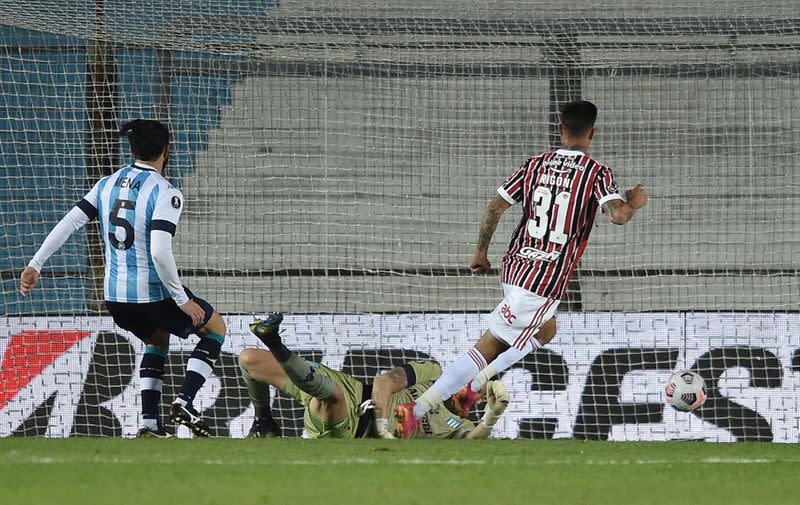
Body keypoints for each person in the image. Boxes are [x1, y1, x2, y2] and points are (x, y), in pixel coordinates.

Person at [395, 100, 648, 437]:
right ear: (592, 133)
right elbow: (617, 215)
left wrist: (481, 252)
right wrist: (633, 202)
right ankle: (423, 408)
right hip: (544, 280)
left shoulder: (533, 165)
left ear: (560, 130)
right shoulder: (595, 172)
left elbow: (495, 208)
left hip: (514, 269)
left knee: (546, 330)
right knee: (489, 347)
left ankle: (468, 391)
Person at [19, 119, 226, 438]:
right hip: (151, 294)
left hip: (115, 298)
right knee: (215, 328)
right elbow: (159, 251)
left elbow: (70, 222)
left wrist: (36, 262)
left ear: (131, 149)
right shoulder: (165, 192)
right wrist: (182, 301)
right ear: (167, 151)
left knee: (156, 339)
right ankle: (184, 402)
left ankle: (149, 425)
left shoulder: (106, 183)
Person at [241, 313, 510, 439]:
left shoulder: (455, 427)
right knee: (249, 359)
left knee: (329, 398)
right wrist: (383, 424)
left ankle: (274, 341)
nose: (470, 387)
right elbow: (385, 382)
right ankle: (264, 423)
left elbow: (472, 440)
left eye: (477, 390)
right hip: (355, 389)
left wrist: (491, 417)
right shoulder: (433, 371)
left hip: (354, 427)